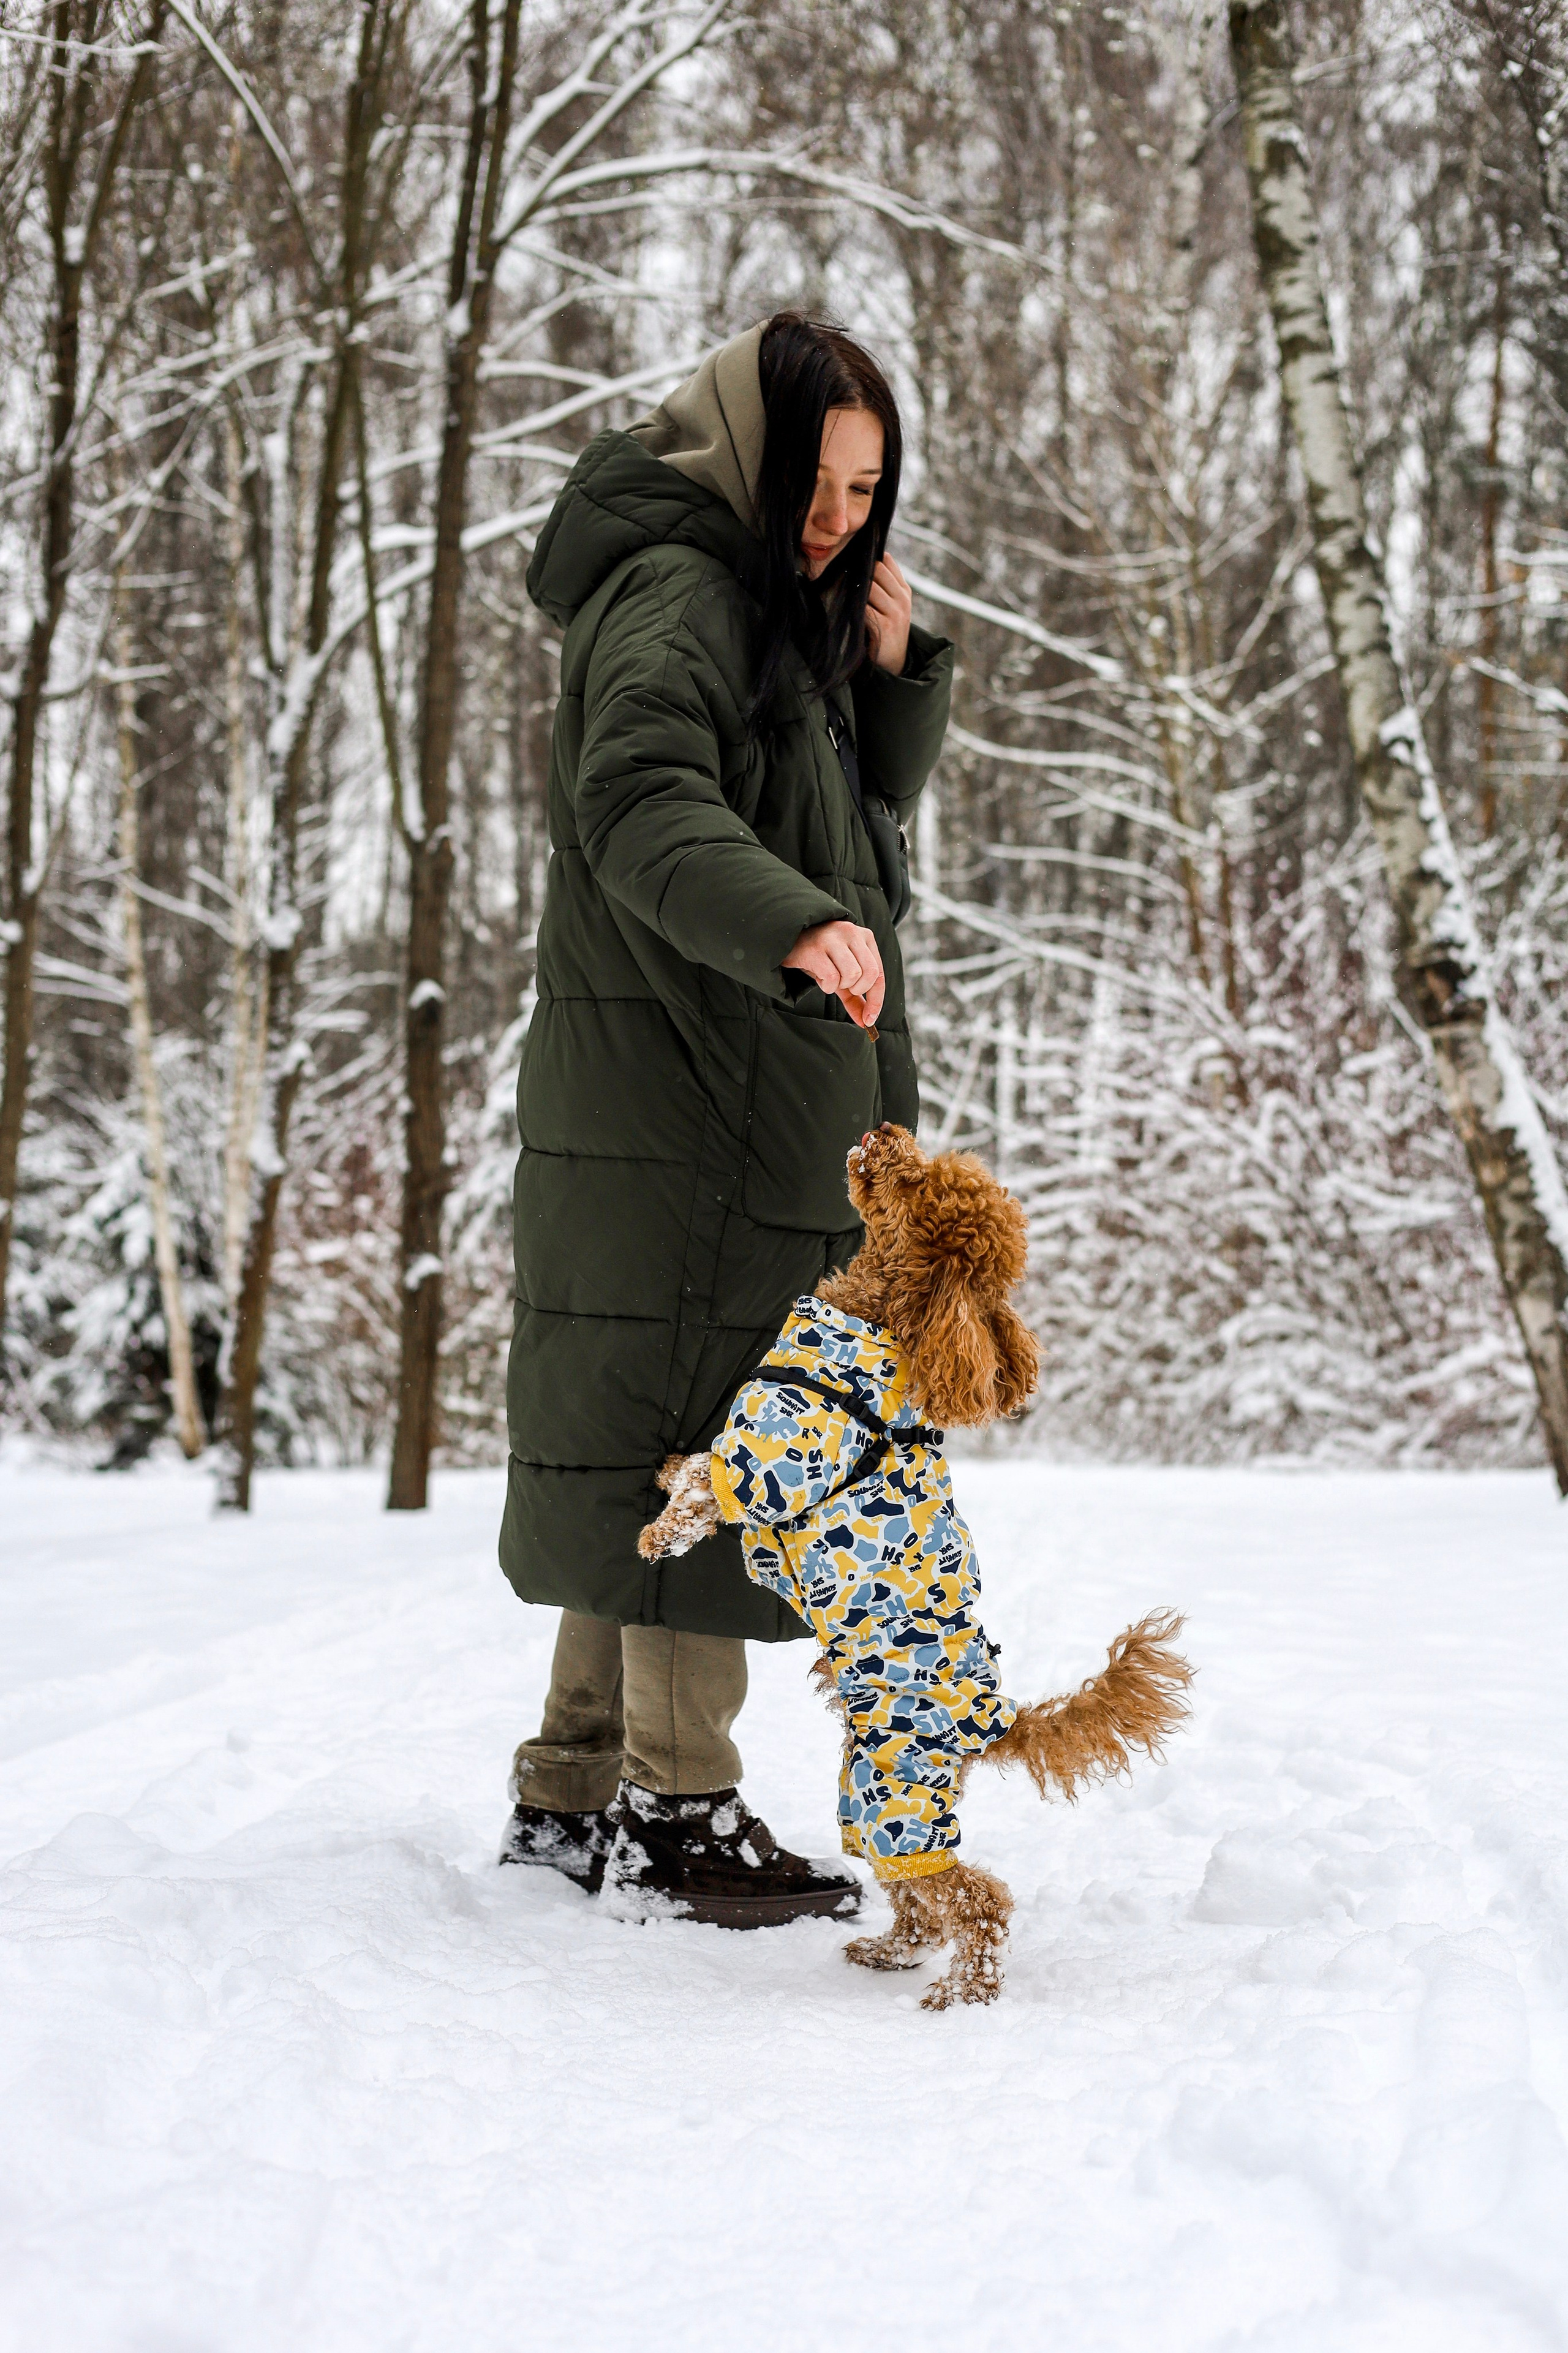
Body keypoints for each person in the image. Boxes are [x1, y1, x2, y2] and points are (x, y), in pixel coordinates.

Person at [497, 312, 953, 1926]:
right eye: (819, 481)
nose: (839, 517)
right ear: (749, 454)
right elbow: (640, 795)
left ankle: (571, 1789)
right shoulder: (684, 589)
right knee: (709, 1420)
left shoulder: (764, 599)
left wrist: (884, 686)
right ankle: (678, 1807)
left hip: (713, 1087)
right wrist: (786, 923)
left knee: (651, 1425)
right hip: (691, 1084)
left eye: (866, 490)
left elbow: (831, 821)